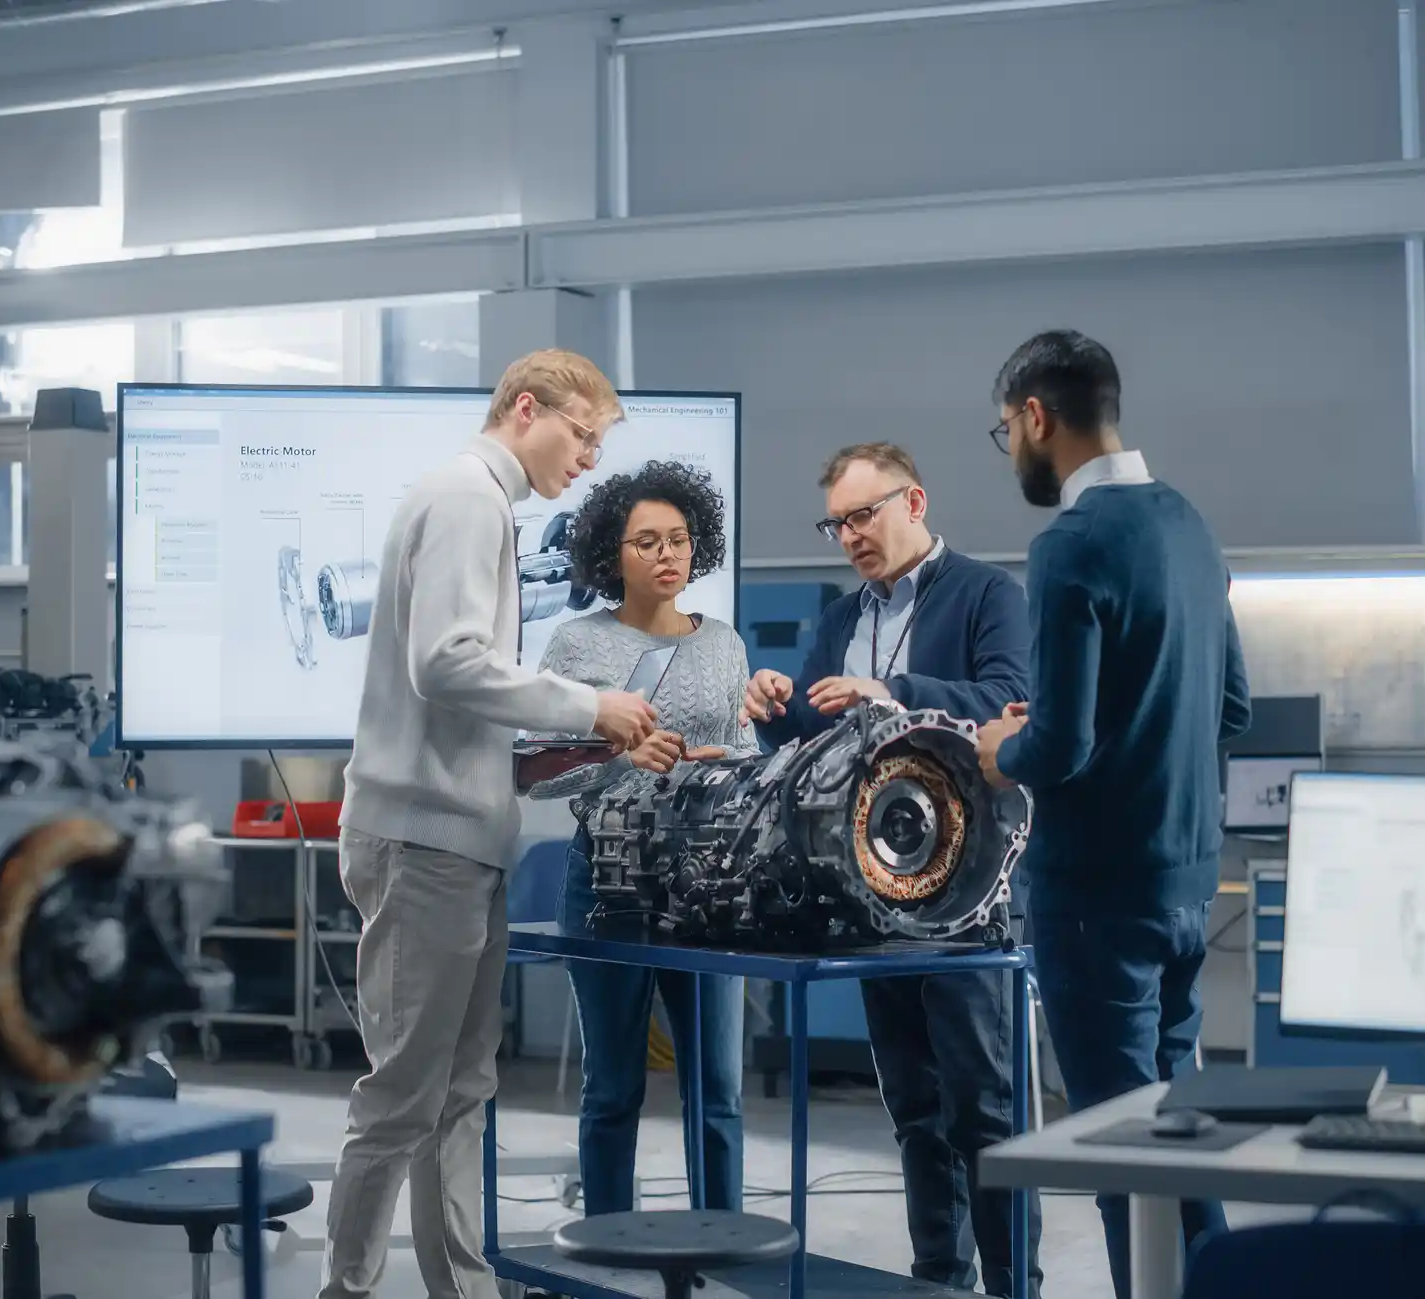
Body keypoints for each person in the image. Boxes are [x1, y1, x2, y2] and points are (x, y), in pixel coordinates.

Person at [320, 349, 660, 1299]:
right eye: (583, 435)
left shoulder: (481, 505)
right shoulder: (466, 496)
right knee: (401, 1102)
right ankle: (342, 1290)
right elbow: (446, 662)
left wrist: (550, 755)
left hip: (457, 840)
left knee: (461, 1096)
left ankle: (463, 1288)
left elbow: (454, 704)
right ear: (525, 408)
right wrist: (587, 706)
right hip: (422, 846)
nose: (589, 461)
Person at [974, 330, 1251, 1299]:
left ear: (1035, 419)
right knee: (1176, 1140)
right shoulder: (1190, 525)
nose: (1009, 446)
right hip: (1185, 883)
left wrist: (994, 748)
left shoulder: (1070, 547)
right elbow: (1231, 708)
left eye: (1004, 428)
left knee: (1119, 1156)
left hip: (1093, 900)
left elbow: (1059, 750)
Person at [741, 443, 1041, 1299]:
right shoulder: (839, 620)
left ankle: (1015, 1284)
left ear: (914, 499)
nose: (847, 537)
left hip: (962, 896)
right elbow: (811, 748)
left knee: (982, 1107)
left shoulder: (988, 594)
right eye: (835, 523)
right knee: (913, 1108)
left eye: (861, 516)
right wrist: (775, 708)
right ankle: (937, 1280)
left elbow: (1011, 699)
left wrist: (893, 692)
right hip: (872, 893)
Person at [524, 459, 759, 1217]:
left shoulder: (722, 643)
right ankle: (606, 1256)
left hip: (709, 885)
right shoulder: (574, 647)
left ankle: (724, 1255)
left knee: (717, 1091)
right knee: (613, 1085)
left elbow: (747, 760)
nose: (668, 554)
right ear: (609, 555)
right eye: (647, 540)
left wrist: (729, 763)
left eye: (680, 539)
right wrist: (614, 753)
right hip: (608, 883)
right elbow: (535, 774)